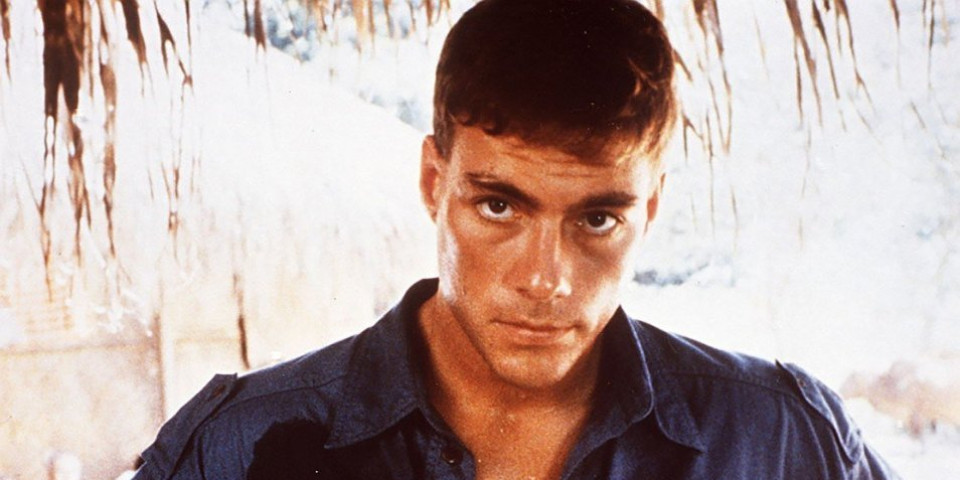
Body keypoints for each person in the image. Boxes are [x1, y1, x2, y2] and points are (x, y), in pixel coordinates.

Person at [132, 0, 899, 478]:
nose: (545, 279)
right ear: (434, 183)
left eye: (597, 219)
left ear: (651, 210)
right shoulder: (233, 448)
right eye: (499, 207)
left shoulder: (780, 442)